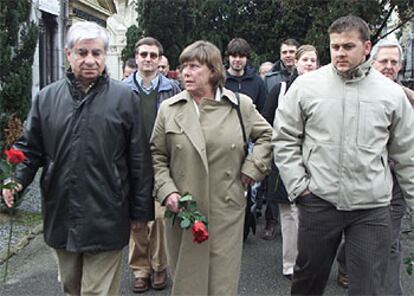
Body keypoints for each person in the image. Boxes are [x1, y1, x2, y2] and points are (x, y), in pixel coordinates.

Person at [1, 21, 154, 295]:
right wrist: (16, 180)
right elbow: (29, 150)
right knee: (71, 286)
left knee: (96, 292)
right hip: (62, 211)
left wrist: (141, 212)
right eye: (82, 53)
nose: (90, 60)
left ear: (105, 55)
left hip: (108, 212)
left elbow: (139, 160)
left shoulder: (124, 99)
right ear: (68, 54)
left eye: (96, 53)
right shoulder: (46, 98)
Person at [273, 15, 414, 296]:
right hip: (319, 201)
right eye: (335, 46)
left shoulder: (391, 94)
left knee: (368, 288)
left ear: (366, 47)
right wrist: (300, 188)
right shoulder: (307, 86)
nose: (339, 53)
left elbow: (406, 154)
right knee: (307, 283)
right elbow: (284, 137)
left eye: (348, 46)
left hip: (372, 208)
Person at [150, 40, 272, 295]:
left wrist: (253, 167)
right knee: (188, 281)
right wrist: (167, 190)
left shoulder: (241, 106)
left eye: (194, 66)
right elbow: (157, 155)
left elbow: (268, 137)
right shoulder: (169, 110)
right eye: (183, 66)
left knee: (222, 283)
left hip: (226, 207)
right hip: (184, 210)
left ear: (213, 71)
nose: (186, 72)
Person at [336, 38, 414, 294]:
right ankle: (347, 260)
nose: (389, 66)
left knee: (389, 243)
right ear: (373, 61)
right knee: (362, 238)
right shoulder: (353, 93)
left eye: (394, 62)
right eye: (384, 61)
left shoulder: (410, 99)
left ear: (401, 66)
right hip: (361, 181)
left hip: (395, 185)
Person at [123, 37, 181, 293]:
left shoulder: (174, 89)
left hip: (161, 162)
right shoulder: (122, 90)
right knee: (137, 219)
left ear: (160, 60)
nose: (148, 59)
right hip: (132, 163)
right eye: (143, 54)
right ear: (136, 58)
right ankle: (140, 269)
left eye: (153, 55)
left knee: (159, 217)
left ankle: (159, 266)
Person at [263, 45, 318, 280]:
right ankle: (290, 263)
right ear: (295, 62)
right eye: (305, 59)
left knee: (311, 214)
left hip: (316, 161)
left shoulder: (325, 90)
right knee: (288, 214)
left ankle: (310, 261)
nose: (309, 64)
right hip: (285, 159)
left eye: (313, 60)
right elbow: (265, 122)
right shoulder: (280, 88)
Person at [224, 37, 267, 113]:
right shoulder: (219, 80)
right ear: (228, 57)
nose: (237, 60)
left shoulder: (257, 82)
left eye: (241, 56)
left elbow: (263, 111)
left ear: (247, 58)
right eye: (234, 56)